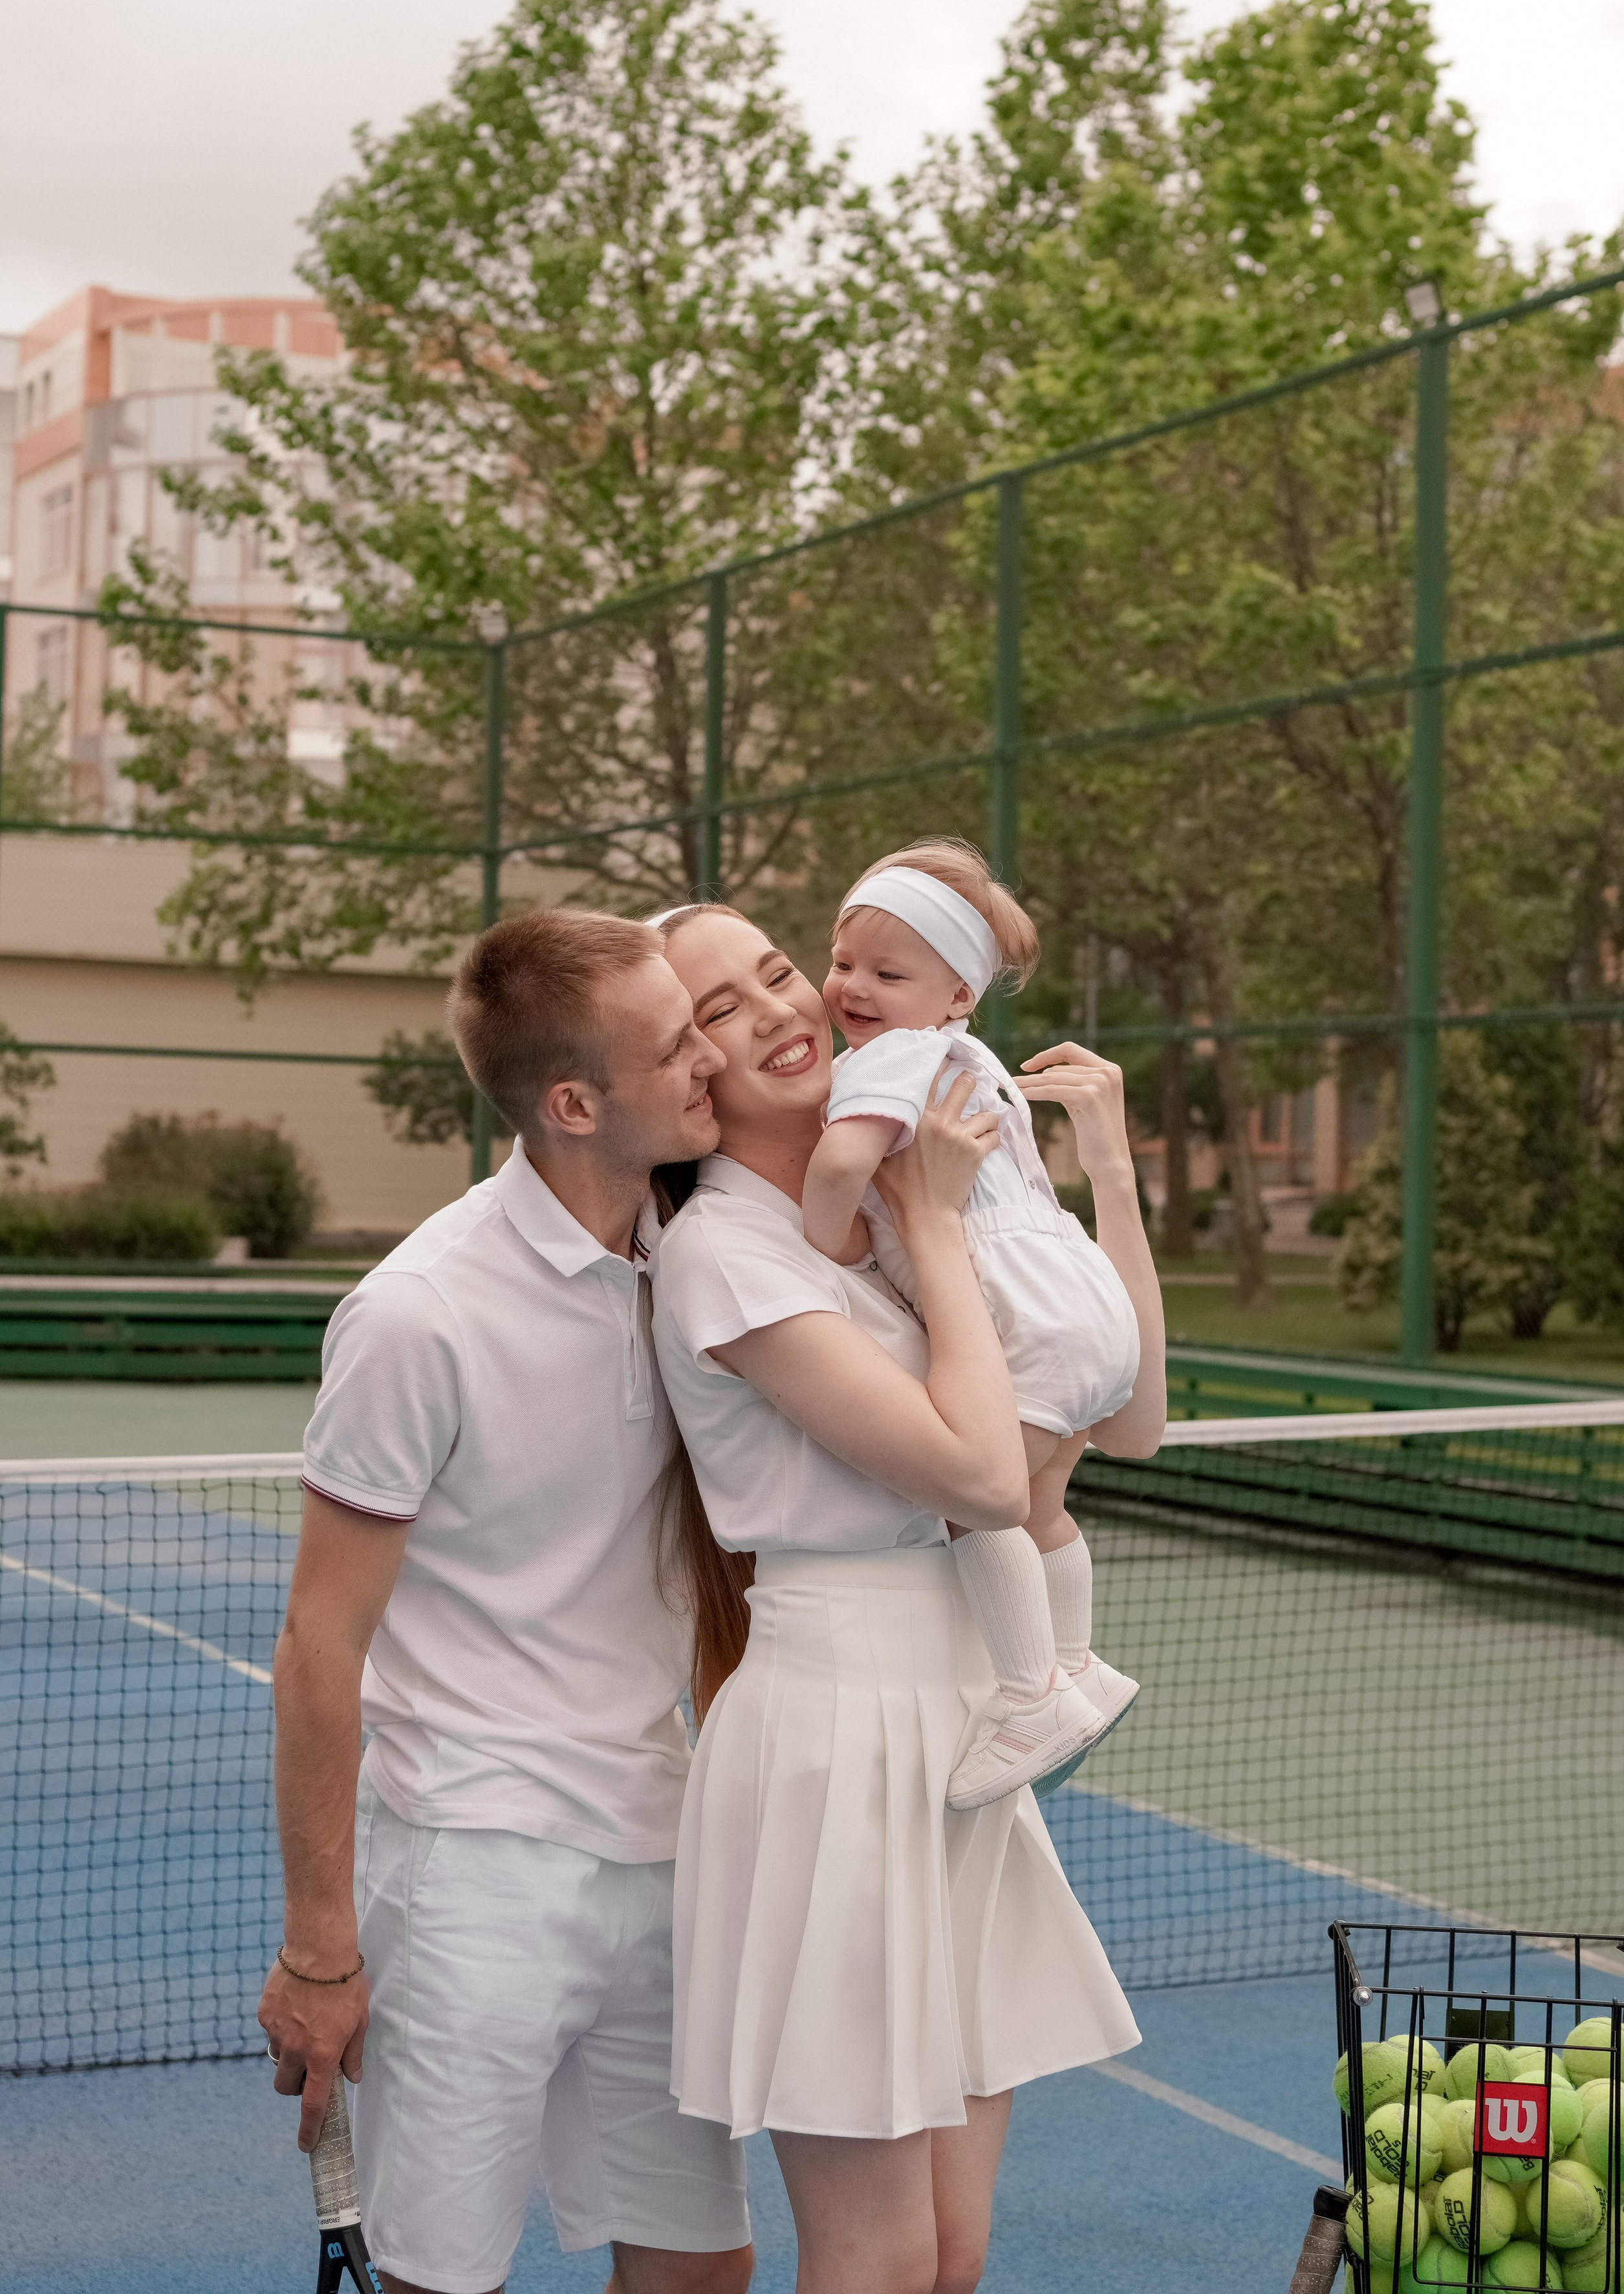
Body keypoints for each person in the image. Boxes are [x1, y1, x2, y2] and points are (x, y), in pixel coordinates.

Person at [644, 903, 1165, 2294]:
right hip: (835, 1739)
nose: (772, 1008)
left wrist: (1101, 1175)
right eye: (715, 1008)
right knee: (873, 2257)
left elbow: (1129, 1427)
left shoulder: (882, 1205)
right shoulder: (727, 1256)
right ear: (681, 1068)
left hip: (956, 1723)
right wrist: (931, 1221)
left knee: (950, 2255)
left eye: (773, 970)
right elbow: (984, 1480)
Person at [257, 909, 753, 2294]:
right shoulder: (416, 1315)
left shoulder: (696, 1255)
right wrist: (317, 1952)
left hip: (659, 1845)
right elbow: (318, 1644)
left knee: (704, 2267)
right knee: (438, 2281)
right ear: (573, 1101)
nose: (710, 1055)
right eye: (676, 1044)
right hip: (472, 1868)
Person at [800, 838, 1142, 1810]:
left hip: (1024, 1316)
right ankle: (1076, 1665)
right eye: (843, 961)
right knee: (1039, 1502)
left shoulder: (892, 1060)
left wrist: (825, 1250)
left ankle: (1032, 1692)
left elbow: (835, 1173)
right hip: (1087, 1301)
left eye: (888, 972)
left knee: (971, 1499)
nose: (853, 987)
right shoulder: (973, 1058)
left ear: (957, 995)